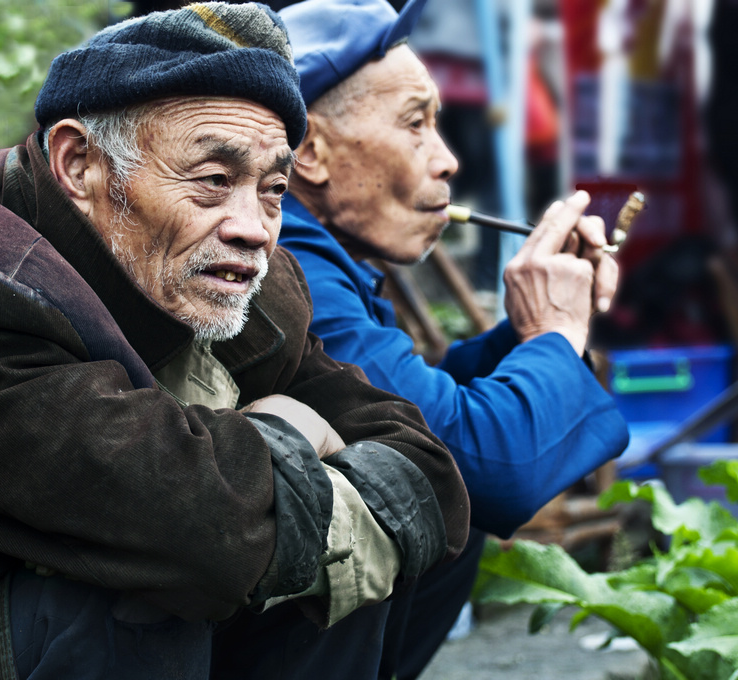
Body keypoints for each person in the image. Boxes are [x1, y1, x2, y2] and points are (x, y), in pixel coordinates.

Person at [0, 5, 470, 679]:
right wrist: (295, 433)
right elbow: (203, 536)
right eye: (214, 180)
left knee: (342, 575)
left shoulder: (226, 272)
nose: (251, 226)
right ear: (79, 165)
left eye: (273, 190)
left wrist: (273, 465)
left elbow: (429, 477)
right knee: (152, 598)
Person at [210, 0, 629, 678]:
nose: (446, 161)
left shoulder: (323, 256)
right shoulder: (290, 267)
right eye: (416, 125)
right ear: (310, 151)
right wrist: (553, 333)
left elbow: (425, 408)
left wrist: (535, 325)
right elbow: (468, 461)